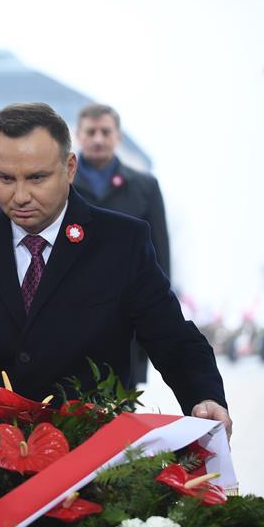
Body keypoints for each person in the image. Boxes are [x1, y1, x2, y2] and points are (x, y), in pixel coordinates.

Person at [0, 102, 231, 437]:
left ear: (69, 168)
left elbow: (172, 337)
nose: (19, 196)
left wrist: (205, 397)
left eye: (37, 178)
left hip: (88, 442)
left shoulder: (121, 241)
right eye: (5, 178)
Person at [73, 103, 171, 390]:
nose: (98, 138)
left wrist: (155, 323)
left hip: (126, 320)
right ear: (78, 135)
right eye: (91, 131)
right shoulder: (59, 186)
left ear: (118, 136)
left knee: (121, 421)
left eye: (106, 131)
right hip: (70, 318)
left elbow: (160, 257)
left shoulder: (145, 187)